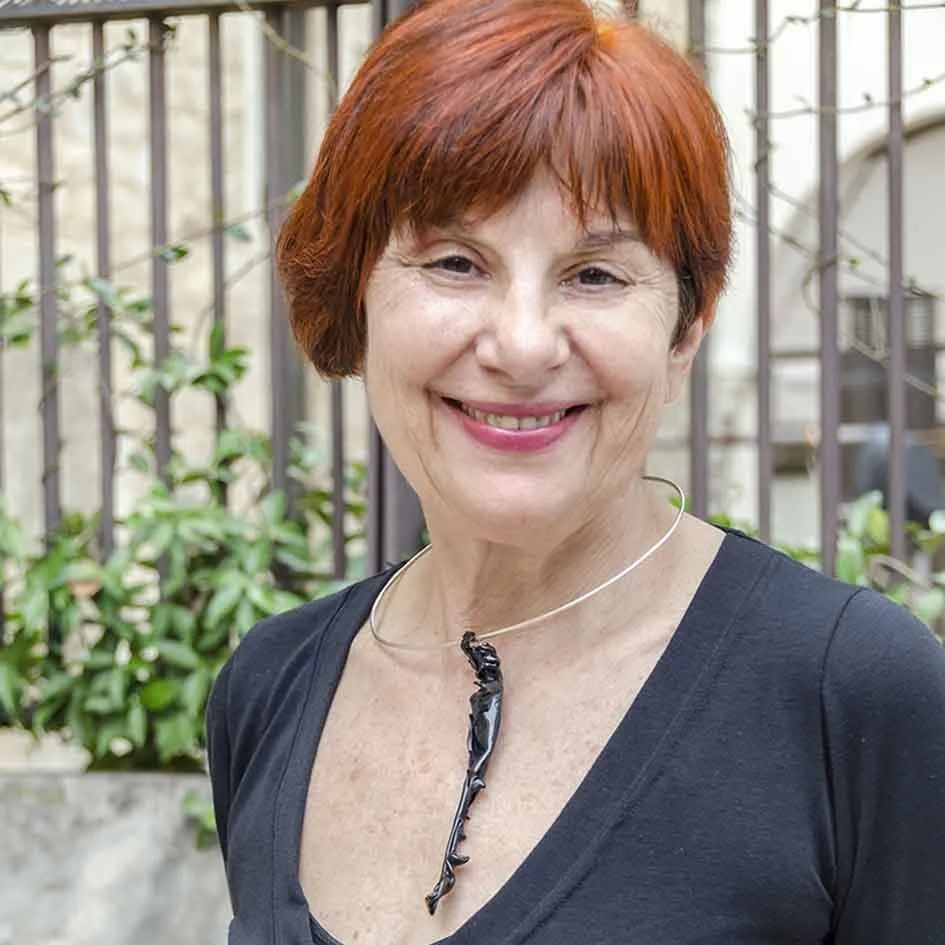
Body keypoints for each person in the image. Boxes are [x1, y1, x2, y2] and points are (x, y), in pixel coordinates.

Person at [206, 1, 945, 942]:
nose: (521, 345)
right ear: (356, 295)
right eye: (454, 261)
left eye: (595, 274)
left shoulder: (852, 694)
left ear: (685, 331)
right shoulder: (268, 687)